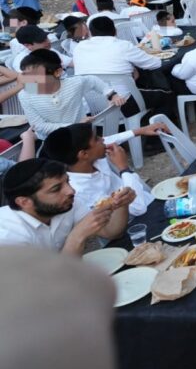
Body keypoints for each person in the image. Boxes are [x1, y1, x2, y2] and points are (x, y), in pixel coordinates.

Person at [0, 158, 132, 254]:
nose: (71, 191)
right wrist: (77, 236)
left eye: (67, 182)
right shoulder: (8, 237)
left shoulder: (64, 203)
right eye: (56, 189)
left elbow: (111, 232)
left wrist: (121, 204)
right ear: (24, 202)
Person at [40, 123, 156, 221]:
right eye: (96, 138)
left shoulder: (90, 158)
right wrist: (124, 169)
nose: (103, 139)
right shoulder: (80, 190)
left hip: (150, 200)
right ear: (84, 154)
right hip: (138, 220)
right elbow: (138, 209)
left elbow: (110, 139)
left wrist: (141, 130)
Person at [17, 49, 125, 139]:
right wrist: (74, 126)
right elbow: (39, 126)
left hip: (81, 134)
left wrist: (111, 94)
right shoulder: (25, 94)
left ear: (57, 72)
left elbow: (94, 81)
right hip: (52, 140)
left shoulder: (74, 83)